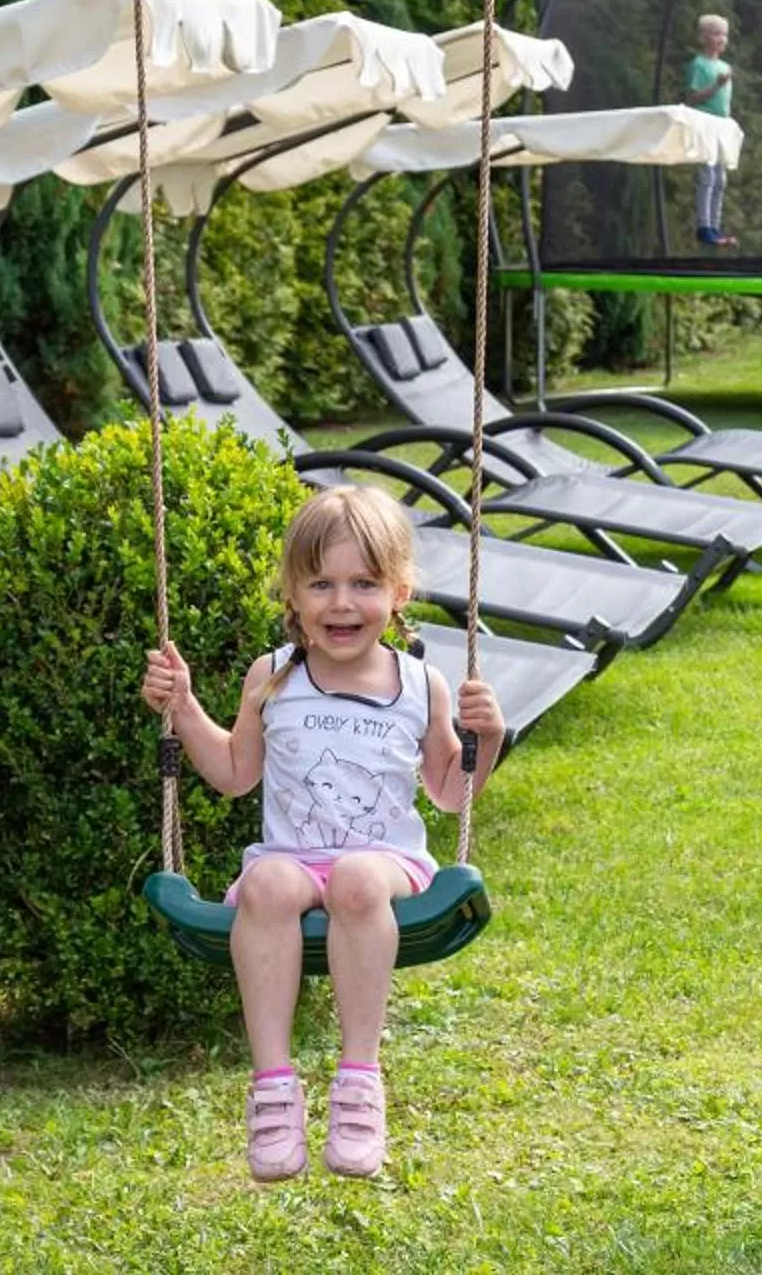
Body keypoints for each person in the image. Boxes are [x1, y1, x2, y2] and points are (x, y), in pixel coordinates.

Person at [139, 485, 506, 1183]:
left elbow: (447, 792)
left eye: (363, 584)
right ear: (293, 593)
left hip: (387, 864)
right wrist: (183, 709)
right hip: (291, 859)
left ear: (398, 592)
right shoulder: (272, 676)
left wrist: (484, 739)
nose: (342, 603)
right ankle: (273, 1090)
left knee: (358, 878)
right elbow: (234, 772)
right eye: (321, 584)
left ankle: (360, 1083)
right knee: (266, 885)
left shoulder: (420, 683)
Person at [681, 12, 738, 246]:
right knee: (707, 174)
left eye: (724, 34)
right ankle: (704, 226)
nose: (721, 39)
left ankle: (715, 225)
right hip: (704, 122)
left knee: (720, 178)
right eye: (715, 34)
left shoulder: (725, 66)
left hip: (720, 125)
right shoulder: (699, 65)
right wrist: (716, 85)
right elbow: (692, 97)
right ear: (703, 37)